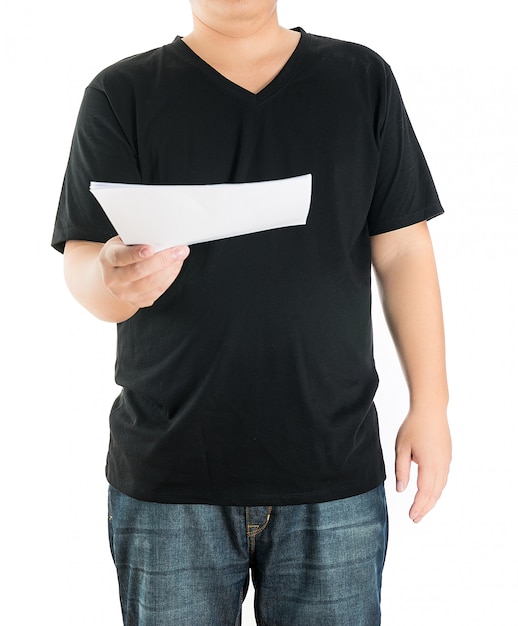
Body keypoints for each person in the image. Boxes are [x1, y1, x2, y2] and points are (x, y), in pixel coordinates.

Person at [52, 1, 452, 624]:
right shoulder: (121, 92)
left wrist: (431, 405)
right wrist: (113, 279)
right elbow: (84, 257)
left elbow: (402, 247)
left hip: (333, 466)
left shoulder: (359, 78)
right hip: (170, 473)